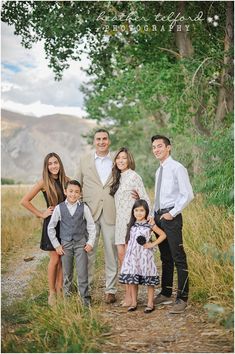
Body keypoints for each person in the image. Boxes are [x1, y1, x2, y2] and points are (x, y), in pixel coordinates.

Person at [151, 134, 194, 314]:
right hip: (159, 217)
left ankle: (182, 298)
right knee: (165, 257)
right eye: (154, 147)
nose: (156, 150)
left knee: (178, 257)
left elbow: (188, 194)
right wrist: (154, 214)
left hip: (172, 217)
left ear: (168, 147)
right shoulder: (158, 170)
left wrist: (172, 213)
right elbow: (158, 195)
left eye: (160, 146)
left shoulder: (177, 168)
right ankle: (166, 292)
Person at [20, 152, 69, 306]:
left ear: (60, 164)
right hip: (52, 224)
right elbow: (24, 201)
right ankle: (52, 293)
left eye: (56, 162)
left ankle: (60, 290)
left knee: (62, 259)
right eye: (50, 164)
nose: (53, 166)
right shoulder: (43, 183)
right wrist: (41, 214)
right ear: (46, 167)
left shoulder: (67, 181)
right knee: (55, 259)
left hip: (66, 224)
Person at [77, 129, 118, 304]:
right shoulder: (84, 160)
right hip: (89, 212)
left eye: (104, 139)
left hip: (111, 211)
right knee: (88, 252)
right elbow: (76, 184)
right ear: (94, 142)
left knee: (111, 251)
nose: (101, 142)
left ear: (109, 141)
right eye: (98, 139)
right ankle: (86, 289)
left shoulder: (117, 159)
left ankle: (111, 290)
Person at [110, 147, 151, 306]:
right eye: (118, 158)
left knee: (130, 260)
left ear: (129, 160)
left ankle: (131, 297)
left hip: (131, 223)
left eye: (124, 158)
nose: (121, 160)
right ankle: (128, 294)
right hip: (120, 223)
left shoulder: (134, 176)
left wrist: (146, 222)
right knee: (122, 259)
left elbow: (145, 199)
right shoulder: (117, 178)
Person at [47, 180, 96, 306]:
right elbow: (51, 227)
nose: (73, 194)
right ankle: (67, 301)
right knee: (67, 273)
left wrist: (90, 242)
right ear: (65, 192)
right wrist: (56, 245)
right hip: (66, 245)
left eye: (76, 192)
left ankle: (85, 301)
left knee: (82, 272)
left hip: (81, 244)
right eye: (71, 191)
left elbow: (91, 226)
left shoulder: (84, 208)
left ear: (80, 194)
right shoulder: (59, 208)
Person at [119, 199, 166, 313]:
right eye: (136, 210)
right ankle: (134, 302)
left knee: (149, 278)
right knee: (133, 279)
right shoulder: (131, 225)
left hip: (145, 256)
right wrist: (127, 256)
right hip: (133, 256)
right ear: (133, 212)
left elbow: (163, 235)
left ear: (146, 212)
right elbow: (128, 241)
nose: (139, 213)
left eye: (141, 210)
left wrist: (152, 244)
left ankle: (150, 302)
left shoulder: (149, 224)